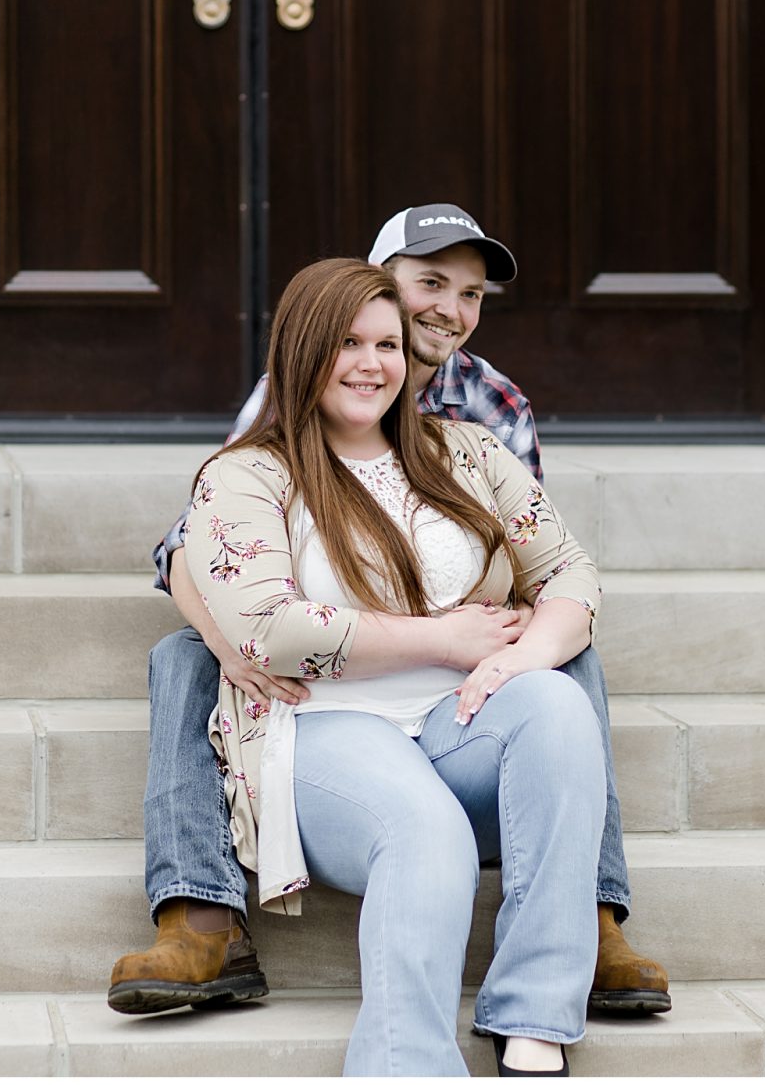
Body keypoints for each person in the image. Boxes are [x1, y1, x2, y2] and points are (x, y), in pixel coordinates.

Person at [110, 204, 671, 1023]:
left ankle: (588, 912)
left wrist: (506, 644)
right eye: (429, 283)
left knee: (564, 665)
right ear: (378, 284)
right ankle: (201, 911)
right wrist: (235, 642)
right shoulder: (289, 400)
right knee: (186, 656)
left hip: (455, 671)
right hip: (314, 657)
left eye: (470, 293)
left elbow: (535, 564)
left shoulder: (493, 408)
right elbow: (194, 548)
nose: (447, 308)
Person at [185, 257, 603, 1074]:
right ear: (304, 349)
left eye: (386, 343)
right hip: (322, 726)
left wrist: (522, 658)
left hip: (454, 720)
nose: (372, 364)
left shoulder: (467, 453)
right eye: (347, 342)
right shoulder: (244, 476)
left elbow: (570, 575)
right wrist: (441, 641)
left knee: (555, 707)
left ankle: (536, 1018)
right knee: (426, 828)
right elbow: (270, 628)